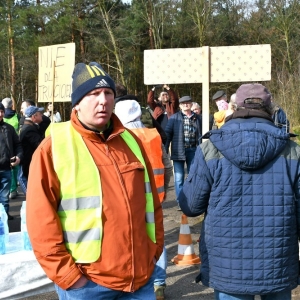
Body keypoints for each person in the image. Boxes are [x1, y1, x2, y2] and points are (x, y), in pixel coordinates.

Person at [26, 62, 164, 300]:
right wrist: (69, 277)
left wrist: (154, 252)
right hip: (87, 285)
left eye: (108, 93)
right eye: (93, 94)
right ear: (77, 104)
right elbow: (40, 221)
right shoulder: (54, 147)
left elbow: (153, 205)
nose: (103, 100)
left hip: (139, 279)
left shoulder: (132, 142)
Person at [178, 83, 300, 300]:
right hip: (277, 261)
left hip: (227, 264)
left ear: (232, 108)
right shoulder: (292, 150)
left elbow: (191, 206)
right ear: (272, 109)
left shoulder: (210, 148)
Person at [115, 89, 173, 300]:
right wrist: (163, 190)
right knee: (157, 238)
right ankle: (158, 283)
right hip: (155, 198)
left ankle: (134, 280)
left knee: (130, 240)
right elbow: (167, 167)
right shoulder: (153, 135)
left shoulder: (118, 137)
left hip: (128, 201)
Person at [164, 96, 202, 210]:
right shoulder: (174, 118)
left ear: (191, 104)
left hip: (194, 150)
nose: (186, 105)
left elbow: (202, 134)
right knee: (179, 178)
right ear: (180, 106)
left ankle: (191, 200)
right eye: (183, 103)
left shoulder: (198, 118)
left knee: (192, 176)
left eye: (188, 103)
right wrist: (164, 150)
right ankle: (181, 202)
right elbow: (167, 135)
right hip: (178, 150)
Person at [0, 103, 23, 220]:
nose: (0, 114)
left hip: (6, 168)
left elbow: (18, 144)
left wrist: (18, 156)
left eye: (2, 111)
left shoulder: (8, 129)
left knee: (4, 197)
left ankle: (4, 217)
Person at [19, 106, 44, 194]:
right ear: (34, 117)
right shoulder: (29, 130)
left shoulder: (30, 127)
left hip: (29, 161)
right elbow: (40, 145)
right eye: (40, 114)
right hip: (29, 162)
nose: (42, 115)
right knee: (30, 186)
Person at [2, 97, 20, 199]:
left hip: (4, 143)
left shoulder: (2, 116)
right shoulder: (16, 116)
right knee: (14, 167)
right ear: (11, 105)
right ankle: (13, 190)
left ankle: (5, 189)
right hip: (14, 142)